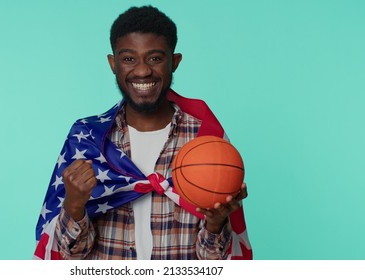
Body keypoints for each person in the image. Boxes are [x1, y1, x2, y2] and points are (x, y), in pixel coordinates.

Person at [34, 5, 252, 260]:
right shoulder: (88, 139)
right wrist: (73, 205)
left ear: (175, 62)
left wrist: (216, 223)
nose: (141, 70)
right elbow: (72, 257)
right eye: (128, 59)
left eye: (155, 58)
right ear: (113, 63)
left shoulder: (205, 138)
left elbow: (212, 263)